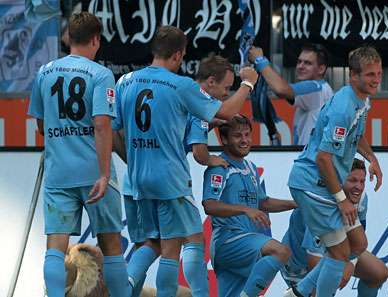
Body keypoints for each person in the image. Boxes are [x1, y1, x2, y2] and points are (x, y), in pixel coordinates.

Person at [112, 25, 258, 296]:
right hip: (169, 179)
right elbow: (227, 111)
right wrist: (248, 83)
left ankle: (126, 285)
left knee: (150, 244)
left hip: (135, 180)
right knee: (175, 245)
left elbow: (113, 129)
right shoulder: (182, 85)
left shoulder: (125, 81)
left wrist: (133, 161)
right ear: (179, 55)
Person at [28, 12, 129, 297]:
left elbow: (40, 124)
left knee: (56, 248)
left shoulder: (44, 71)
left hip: (58, 171)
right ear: (96, 39)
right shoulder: (100, 74)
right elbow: (102, 124)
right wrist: (105, 172)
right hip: (94, 173)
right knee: (111, 248)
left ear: (69, 38)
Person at [284, 46, 384, 297]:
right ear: (353, 76)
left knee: (358, 244)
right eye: (370, 75)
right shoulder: (343, 108)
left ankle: (299, 292)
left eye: (379, 73)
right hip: (312, 183)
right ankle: (308, 293)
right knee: (339, 254)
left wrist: (372, 158)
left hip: (322, 182)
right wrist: (341, 199)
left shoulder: (360, 99)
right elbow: (323, 158)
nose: (376, 80)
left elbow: (356, 135)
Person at [202, 115, 297, 297]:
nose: (244, 140)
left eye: (247, 134)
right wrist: (245, 209)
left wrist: (295, 204)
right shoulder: (219, 167)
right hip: (229, 240)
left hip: (245, 241)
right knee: (280, 251)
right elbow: (210, 205)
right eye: (238, 136)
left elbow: (264, 203)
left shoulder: (250, 167)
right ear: (224, 139)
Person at [282, 159, 388, 297]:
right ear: (339, 182)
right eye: (353, 181)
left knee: (379, 273)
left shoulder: (360, 198)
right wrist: (340, 268)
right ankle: (297, 291)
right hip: (299, 266)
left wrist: (350, 263)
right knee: (326, 284)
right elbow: (314, 260)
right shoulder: (321, 203)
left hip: (335, 251)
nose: (358, 187)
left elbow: (357, 242)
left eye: (362, 181)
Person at [248, 43, 333, 145]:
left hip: (312, 159)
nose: (300, 66)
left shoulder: (316, 88)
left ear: (321, 69)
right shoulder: (322, 89)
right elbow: (282, 90)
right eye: (299, 62)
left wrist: (259, 60)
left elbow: (281, 89)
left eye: (308, 63)